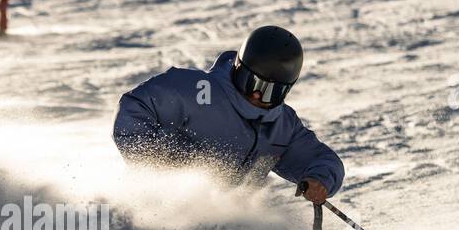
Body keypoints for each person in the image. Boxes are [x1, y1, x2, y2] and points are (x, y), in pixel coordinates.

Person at [113, 26, 343, 205]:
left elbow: (320, 159)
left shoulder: (282, 125)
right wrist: (154, 159)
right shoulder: (198, 90)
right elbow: (136, 107)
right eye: (252, 82)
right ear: (238, 68)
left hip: (229, 220)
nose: (256, 94)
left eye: (270, 91)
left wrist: (319, 180)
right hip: (159, 205)